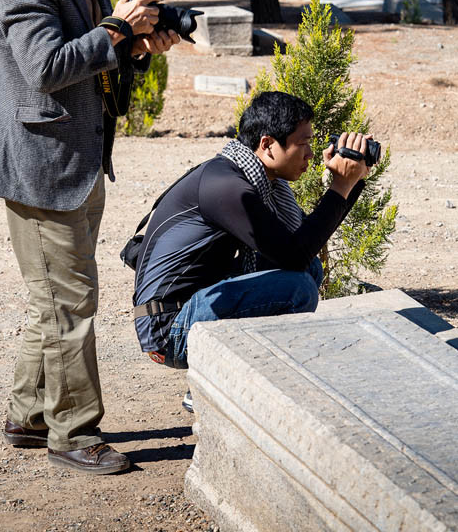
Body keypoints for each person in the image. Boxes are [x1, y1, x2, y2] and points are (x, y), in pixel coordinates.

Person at [0, 0, 179, 474]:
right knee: (71, 303)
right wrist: (118, 29)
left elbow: (92, 60)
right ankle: (75, 435)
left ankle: (30, 415)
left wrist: (136, 48)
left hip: (77, 161)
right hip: (42, 167)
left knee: (52, 299)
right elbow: (45, 68)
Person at [132, 92, 374, 401]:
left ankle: (221, 376)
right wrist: (340, 186)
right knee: (299, 288)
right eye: (303, 145)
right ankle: (217, 383)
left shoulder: (253, 178)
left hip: (193, 305)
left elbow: (304, 244)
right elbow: (294, 255)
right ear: (268, 145)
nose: (311, 155)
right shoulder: (228, 188)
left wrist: (350, 183)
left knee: (308, 270)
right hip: (168, 329)